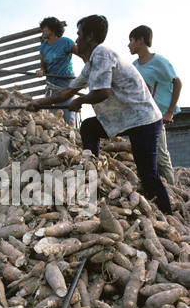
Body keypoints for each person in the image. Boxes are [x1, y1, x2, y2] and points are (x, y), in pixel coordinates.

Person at [27, 14, 172, 215]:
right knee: (88, 127)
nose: (76, 40)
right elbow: (65, 92)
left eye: (79, 35)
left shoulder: (103, 53)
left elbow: (104, 92)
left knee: (148, 173)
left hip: (144, 120)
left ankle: (167, 214)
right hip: (125, 118)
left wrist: (81, 100)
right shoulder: (91, 64)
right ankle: (91, 171)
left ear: (90, 36)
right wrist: (37, 103)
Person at [128, 25, 182, 186]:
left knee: (161, 157)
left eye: (130, 40)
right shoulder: (134, 66)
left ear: (140, 40)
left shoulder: (160, 62)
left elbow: (177, 83)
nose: (128, 44)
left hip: (157, 116)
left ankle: (174, 194)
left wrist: (170, 112)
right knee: (144, 156)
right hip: (140, 118)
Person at [36, 17, 79, 126]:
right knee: (53, 113)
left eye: (45, 27)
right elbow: (43, 66)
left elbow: (83, 54)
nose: (43, 30)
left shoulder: (66, 42)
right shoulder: (43, 48)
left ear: (53, 29)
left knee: (67, 109)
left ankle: (71, 133)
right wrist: (41, 71)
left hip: (66, 81)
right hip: (52, 83)